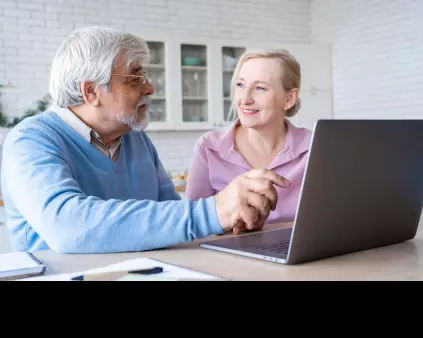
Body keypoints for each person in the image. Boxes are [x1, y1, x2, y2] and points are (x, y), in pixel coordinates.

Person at [0, 27, 291, 254]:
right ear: (91, 92)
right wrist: (213, 211)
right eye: (134, 79)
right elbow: (67, 225)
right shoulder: (31, 140)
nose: (149, 88)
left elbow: (172, 221)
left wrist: (233, 219)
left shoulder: (136, 140)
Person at [185, 49, 312, 224]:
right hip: (226, 251)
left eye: (260, 88)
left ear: (289, 98)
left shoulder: (314, 148)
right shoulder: (209, 147)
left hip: (300, 250)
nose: (244, 99)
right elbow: (192, 221)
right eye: (240, 85)